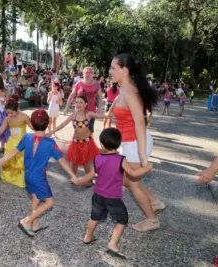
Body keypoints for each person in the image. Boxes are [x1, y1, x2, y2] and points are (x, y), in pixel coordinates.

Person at [0, 110, 77, 237]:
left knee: (35, 198)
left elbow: (12, 153)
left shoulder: (26, 138)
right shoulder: (50, 143)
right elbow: (62, 161)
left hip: (27, 176)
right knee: (49, 202)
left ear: (32, 124)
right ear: (47, 124)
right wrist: (73, 175)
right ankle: (27, 221)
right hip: (39, 178)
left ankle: (35, 224)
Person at [71, 128, 153, 258]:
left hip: (98, 196)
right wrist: (147, 168)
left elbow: (90, 175)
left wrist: (78, 181)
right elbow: (133, 173)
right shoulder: (121, 160)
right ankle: (113, 244)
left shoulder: (97, 158)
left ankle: (88, 236)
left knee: (94, 218)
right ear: (118, 144)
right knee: (122, 220)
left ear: (102, 145)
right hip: (113, 198)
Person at [107, 53, 165, 232]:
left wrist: (141, 154)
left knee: (131, 183)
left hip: (135, 143)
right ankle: (154, 202)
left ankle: (151, 220)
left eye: (113, 68)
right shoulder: (125, 89)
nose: (110, 72)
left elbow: (140, 121)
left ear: (124, 70)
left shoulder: (129, 91)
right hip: (131, 142)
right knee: (130, 181)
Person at [48, 95, 105, 183]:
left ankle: (89, 179)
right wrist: (51, 132)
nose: (78, 104)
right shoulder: (73, 116)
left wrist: (110, 114)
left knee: (85, 162)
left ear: (85, 104)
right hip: (76, 143)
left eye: (81, 102)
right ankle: (74, 178)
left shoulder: (88, 114)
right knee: (74, 162)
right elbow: (62, 125)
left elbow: (101, 116)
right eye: (76, 102)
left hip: (87, 142)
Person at [0, 95, 33, 188]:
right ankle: (8, 177)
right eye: (7, 113)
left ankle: (20, 180)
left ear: (17, 109)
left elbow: (32, 127)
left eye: (11, 113)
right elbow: (1, 130)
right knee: (9, 159)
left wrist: (41, 133)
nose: (9, 115)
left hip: (22, 143)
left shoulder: (24, 117)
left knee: (21, 161)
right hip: (11, 142)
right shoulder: (7, 119)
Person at [64, 67, 103, 133]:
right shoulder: (79, 83)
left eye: (90, 73)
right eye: (86, 73)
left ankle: (89, 143)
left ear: (92, 74)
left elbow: (100, 96)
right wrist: (67, 107)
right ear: (83, 74)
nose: (88, 74)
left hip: (91, 112)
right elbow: (72, 95)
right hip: (79, 112)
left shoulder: (97, 84)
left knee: (89, 131)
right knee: (78, 131)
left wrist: (99, 109)